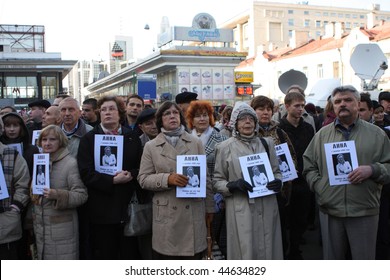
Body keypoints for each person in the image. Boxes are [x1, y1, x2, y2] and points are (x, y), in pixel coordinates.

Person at [303, 85, 390, 260]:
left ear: (358, 104)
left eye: (348, 100)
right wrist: (321, 187)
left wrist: (372, 170)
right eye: (338, 101)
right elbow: (308, 165)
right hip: (331, 211)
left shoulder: (377, 135)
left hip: (364, 211)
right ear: (333, 106)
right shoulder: (321, 135)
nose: (343, 104)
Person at [138, 101, 214, 259]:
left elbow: (205, 178)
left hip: (193, 211)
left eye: (175, 113)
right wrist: (168, 179)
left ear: (181, 117)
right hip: (167, 216)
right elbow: (143, 179)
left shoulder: (195, 142)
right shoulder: (151, 146)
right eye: (167, 113)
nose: (172, 116)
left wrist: (209, 208)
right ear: (160, 120)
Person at [78, 96, 146, 260]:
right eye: (103, 109)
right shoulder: (89, 138)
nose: (107, 112)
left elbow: (142, 167)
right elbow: (85, 172)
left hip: (128, 208)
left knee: (129, 255)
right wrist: (112, 181)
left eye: (111, 109)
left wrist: (131, 174)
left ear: (120, 113)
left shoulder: (131, 137)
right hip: (101, 210)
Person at [213, 101, 283, 260]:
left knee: (269, 249)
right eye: (242, 119)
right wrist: (232, 185)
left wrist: (278, 182)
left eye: (251, 119)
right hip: (241, 208)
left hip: (267, 205)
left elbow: (276, 172)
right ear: (235, 124)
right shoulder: (224, 147)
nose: (247, 122)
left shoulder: (267, 144)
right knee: (244, 251)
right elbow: (217, 180)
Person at [32, 125, 88, 259]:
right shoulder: (39, 161)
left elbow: (82, 195)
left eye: (52, 139)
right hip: (41, 229)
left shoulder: (70, 163)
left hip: (62, 230)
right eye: (44, 139)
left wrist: (57, 195)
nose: (47, 143)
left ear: (61, 141)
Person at [186, 100, 228, 255]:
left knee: (213, 235)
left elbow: (224, 170)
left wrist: (221, 196)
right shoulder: (185, 139)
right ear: (191, 119)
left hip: (214, 195)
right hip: (191, 195)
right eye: (197, 116)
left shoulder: (222, 139)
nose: (202, 119)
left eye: (205, 115)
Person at [278, 91, 315, 259]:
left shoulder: (308, 128)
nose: (301, 109)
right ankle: (283, 251)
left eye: (303, 105)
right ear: (287, 107)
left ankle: (295, 250)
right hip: (285, 182)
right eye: (297, 106)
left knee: (300, 219)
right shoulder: (278, 129)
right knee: (284, 220)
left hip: (304, 180)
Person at [0, 112, 40, 259]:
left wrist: (15, 208)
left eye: (15, 125)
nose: (11, 129)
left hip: (9, 217)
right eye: (7, 125)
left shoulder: (15, 154)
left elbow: (23, 184)